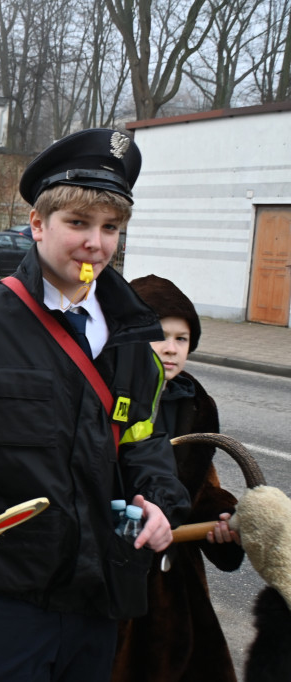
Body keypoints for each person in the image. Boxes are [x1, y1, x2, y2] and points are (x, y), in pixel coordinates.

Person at [0, 129, 191, 682]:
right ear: (38, 225)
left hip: (100, 591)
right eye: (78, 223)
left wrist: (161, 503)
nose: (95, 243)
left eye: (110, 228)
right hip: (5, 594)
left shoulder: (132, 340)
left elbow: (144, 444)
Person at [112, 275, 243, 682]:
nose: (171, 348)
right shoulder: (105, 392)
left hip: (174, 578)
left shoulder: (197, 404)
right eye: (159, 335)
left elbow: (202, 484)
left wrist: (228, 521)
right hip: (113, 572)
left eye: (182, 338)